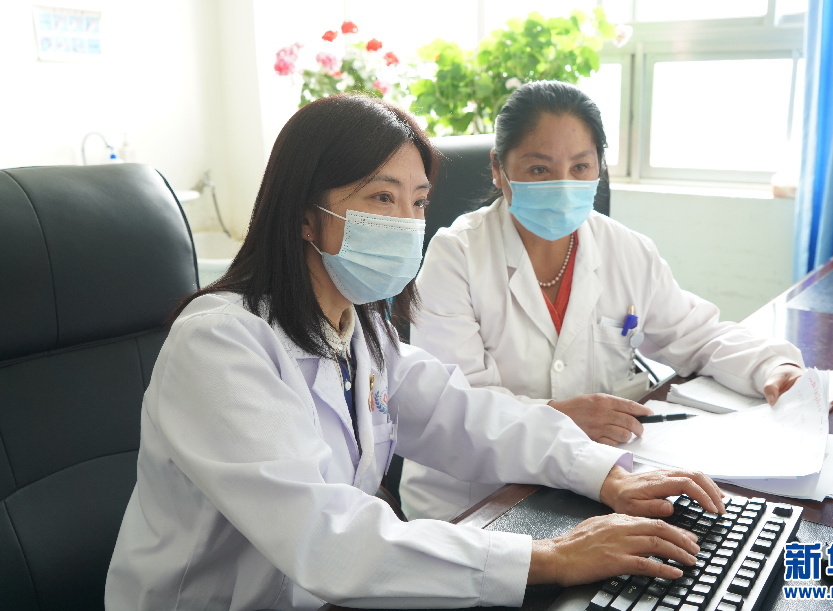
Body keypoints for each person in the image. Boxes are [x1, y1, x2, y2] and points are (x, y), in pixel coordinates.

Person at [105, 94, 727, 610]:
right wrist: (550, 556)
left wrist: (608, 474)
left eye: (419, 201)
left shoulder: (359, 331)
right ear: (303, 216)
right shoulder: (220, 344)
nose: (407, 222)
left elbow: (467, 415)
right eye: (382, 198)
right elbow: (325, 538)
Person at [399, 80, 805, 522]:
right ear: (498, 169)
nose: (563, 185)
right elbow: (455, 405)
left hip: (593, 485)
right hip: (477, 499)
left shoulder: (626, 249)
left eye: (580, 166)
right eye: (539, 169)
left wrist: (771, 366)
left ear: (599, 168)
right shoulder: (456, 255)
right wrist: (557, 416)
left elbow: (697, 334)